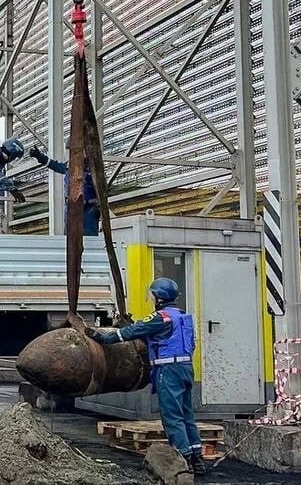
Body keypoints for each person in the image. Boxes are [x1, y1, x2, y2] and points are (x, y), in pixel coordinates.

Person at [90, 277, 207, 476]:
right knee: (187, 416)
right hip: (186, 369)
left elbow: (132, 331)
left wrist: (103, 337)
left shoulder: (159, 318)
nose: (150, 298)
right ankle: (197, 460)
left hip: (168, 372)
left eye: (152, 294)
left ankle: (182, 460)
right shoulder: (183, 317)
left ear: (158, 297)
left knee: (172, 417)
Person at [28, 142, 100, 235]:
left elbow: (102, 188)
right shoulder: (69, 166)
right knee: (71, 234)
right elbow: (54, 165)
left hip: (89, 207)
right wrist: (40, 157)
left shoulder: (93, 168)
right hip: (73, 206)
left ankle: (91, 249)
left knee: (89, 234)